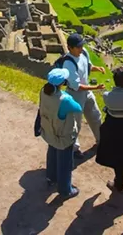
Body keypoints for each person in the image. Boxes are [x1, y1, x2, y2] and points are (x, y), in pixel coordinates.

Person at [38, 67, 82, 199]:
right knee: (65, 162)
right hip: (62, 135)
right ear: (62, 83)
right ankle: (65, 190)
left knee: (52, 152)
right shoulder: (65, 100)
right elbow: (78, 108)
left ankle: (51, 177)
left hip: (48, 130)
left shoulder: (43, 92)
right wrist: (68, 96)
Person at [59, 33, 105, 158]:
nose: (81, 48)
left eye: (81, 45)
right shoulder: (68, 63)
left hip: (87, 92)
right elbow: (77, 86)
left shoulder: (83, 52)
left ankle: (101, 141)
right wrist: (96, 88)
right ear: (70, 48)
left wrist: (98, 68)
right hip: (75, 94)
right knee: (75, 123)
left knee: (95, 116)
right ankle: (74, 149)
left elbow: (88, 66)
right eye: (78, 47)